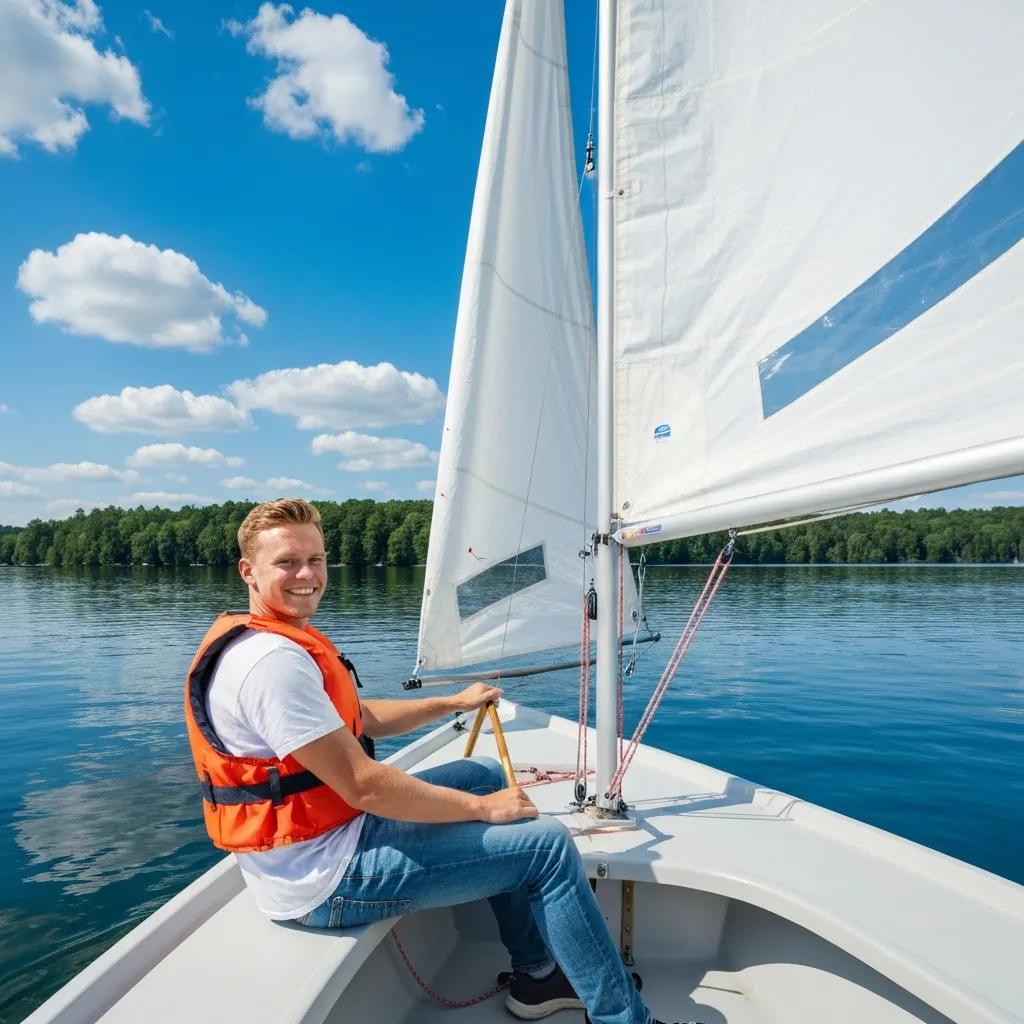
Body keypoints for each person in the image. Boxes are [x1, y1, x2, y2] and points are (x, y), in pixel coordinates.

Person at [184, 498, 689, 1024]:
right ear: (248, 571)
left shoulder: (276, 639)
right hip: (323, 879)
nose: (307, 574)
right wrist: (481, 810)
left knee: (483, 773)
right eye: (287, 562)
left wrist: (451, 703)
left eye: (316, 558)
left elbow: (363, 719)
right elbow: (363, 786)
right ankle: (624, 1019)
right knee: (546, 847)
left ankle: (538, 976)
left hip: (331, 841)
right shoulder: (271, 664)